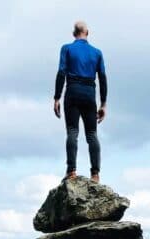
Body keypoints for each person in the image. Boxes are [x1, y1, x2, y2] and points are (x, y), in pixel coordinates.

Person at [53, 21, 107, 183]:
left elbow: (61, 72)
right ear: (87, 33)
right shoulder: (97, 53)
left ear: (73, 33)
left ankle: (71, 171)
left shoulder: (67, 48)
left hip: (72, 91)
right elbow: (103, 78)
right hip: (90, 94)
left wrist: (57, 97)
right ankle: (95, 174)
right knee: (92, 134)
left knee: (72, 132)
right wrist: (103, 103)